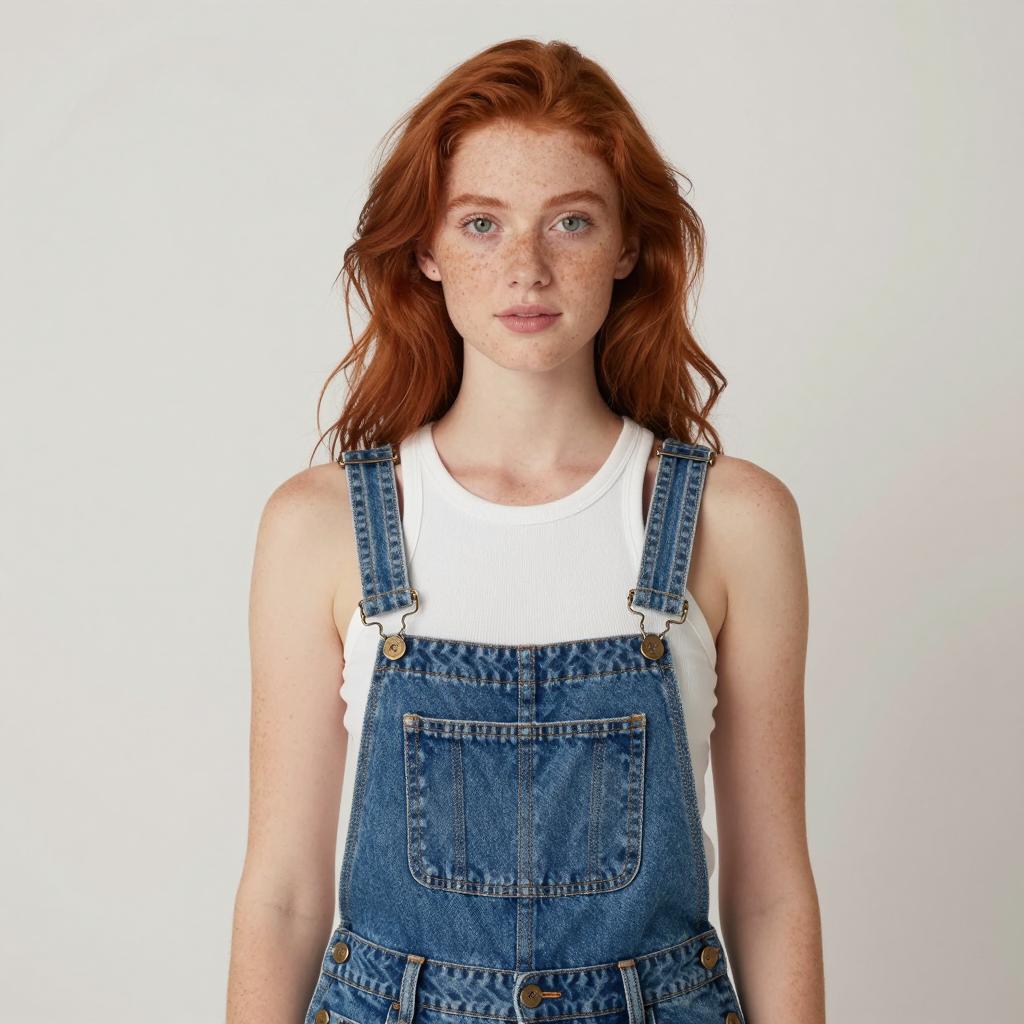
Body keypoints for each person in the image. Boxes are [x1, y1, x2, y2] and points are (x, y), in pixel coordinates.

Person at [226, 38, 824, 1024]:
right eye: (481, 223)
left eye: (571, 222)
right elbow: (283, 894)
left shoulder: (735, 521)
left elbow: (769, 892)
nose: (527, 269)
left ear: (626, 246)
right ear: (426, 249)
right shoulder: (319, 527)